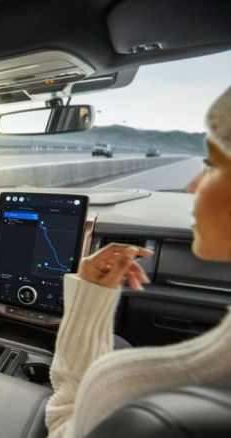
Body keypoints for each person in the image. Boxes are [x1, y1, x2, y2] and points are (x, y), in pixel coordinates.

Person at [46, 85, 231, 437]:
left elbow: (64, 418)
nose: (192, 186)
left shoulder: (136, 399)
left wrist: (87, 302)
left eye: (210, 165)